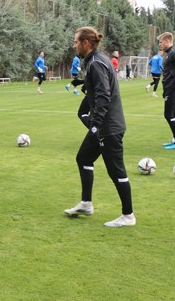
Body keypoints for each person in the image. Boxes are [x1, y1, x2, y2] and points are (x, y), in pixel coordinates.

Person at [64, 27, 135, 227]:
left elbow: (104, 94)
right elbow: (97, 88)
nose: (74, 45)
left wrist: (95, 124)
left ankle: (128, 216)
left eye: (76, 41)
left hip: (109, 127)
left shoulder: (96, 62)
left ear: (86, 43)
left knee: (116, 171)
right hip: (104, 125)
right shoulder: (97, 59)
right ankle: (86, 203)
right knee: (84, 158)